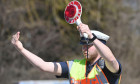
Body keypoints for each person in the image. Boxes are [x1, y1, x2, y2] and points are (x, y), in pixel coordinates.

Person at [11, 23, 122, 84]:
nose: (84, 48)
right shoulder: (74, 66)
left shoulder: (108, 67)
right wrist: (21, 49)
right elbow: (43, 66)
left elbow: (111, 59)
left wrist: (91, 36)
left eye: (89, 45)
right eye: (83, 45)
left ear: (99, 46)